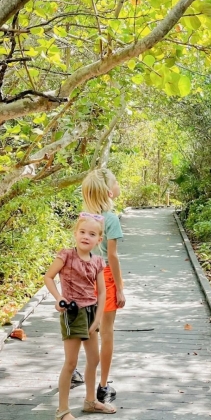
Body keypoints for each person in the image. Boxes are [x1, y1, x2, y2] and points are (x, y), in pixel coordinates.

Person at [44, 212, 116, 420]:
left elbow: (102, 292)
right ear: (75, 233)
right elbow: (48, 277)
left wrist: (97, 319)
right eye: (82, 232)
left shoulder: (97, 261)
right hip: (73, 313)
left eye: (92, 234)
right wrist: (59, 298)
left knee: (93, 359)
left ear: (99, 240)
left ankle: (90, 401)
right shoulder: (66, 255)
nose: (86, 236)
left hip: (91, 312)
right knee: (71, 362)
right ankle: (63, 411)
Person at [81, 168, 125, 404]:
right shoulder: (111, 219)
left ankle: (76, 370)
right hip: (105, 276)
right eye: (116, 182)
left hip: (83, 276)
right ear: (109, 192)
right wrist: (119, 287)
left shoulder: (83, 217)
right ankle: (103, 386)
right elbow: (113, 256)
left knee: (85, 328)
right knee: (106, 332)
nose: (119, 185)